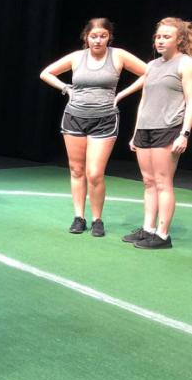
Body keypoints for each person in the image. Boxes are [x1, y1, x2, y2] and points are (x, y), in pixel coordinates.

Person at [40, 18, 146, 236]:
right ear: (86, 37)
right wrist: (66, 89)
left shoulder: (118, 55)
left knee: (95, 173)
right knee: (77, 170)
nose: (98, 40)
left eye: (103, 36)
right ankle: (79, 217)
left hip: (105, 119)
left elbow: (149, 72)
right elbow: (46, 73)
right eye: (93, 36)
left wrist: (123, 94)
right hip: (74, 117)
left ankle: (98, 219)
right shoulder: (77, 57)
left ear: (109, 37)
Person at [122, 17, 192, 249]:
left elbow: (191, 100)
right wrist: (135, 132)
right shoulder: (151, 66)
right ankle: (148, 228)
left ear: (179, 39)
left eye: (166, 37)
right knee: (148, 181)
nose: (160, 41)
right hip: (145, 129)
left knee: (163, 182)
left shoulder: (185, 63)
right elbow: (144, 101)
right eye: (158, 36)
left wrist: (185, 133)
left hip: (168, 129)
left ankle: (162, 235)